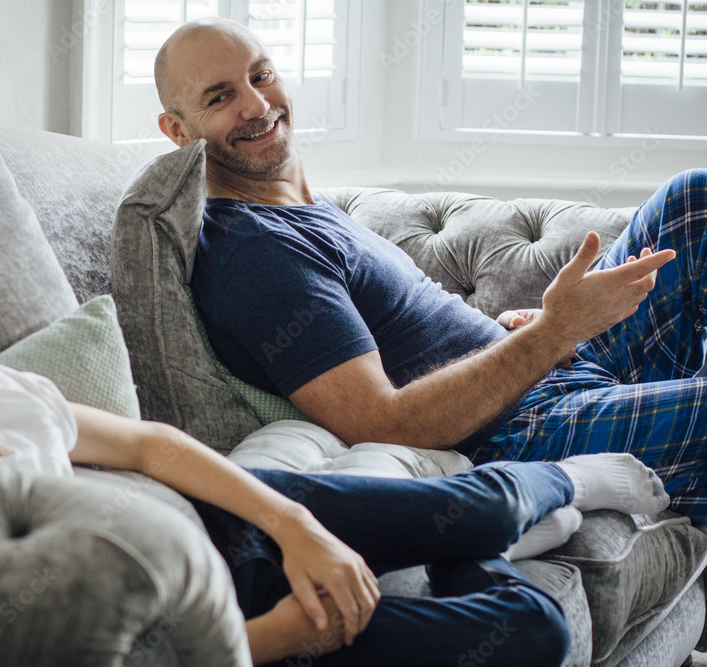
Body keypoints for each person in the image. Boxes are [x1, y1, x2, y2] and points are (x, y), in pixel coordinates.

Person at [0, 194, 670, 665]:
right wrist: (288, 632)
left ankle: (566, 484)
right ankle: (479, 541)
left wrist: (299, 526)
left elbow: (150, 446)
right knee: (529, 634)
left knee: (470, 511)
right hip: (221, 617)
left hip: (220, 514)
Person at [155, 18, 707, 520]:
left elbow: (417, 338)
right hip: (519, 432)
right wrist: (553, 331)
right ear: (178, 130)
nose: (255, 105)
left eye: (261, 75)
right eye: (219, 96)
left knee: (692, 201)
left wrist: (524, 335)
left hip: (548, 370)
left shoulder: (303, 211)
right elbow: (383, 424)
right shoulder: (255, 252)